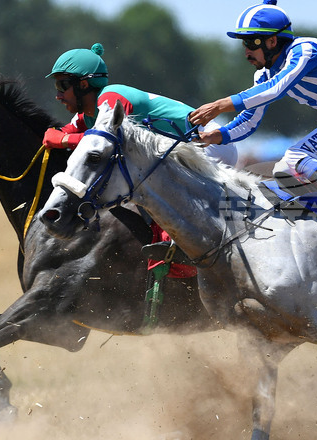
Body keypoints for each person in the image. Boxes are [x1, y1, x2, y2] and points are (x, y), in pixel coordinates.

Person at [189, 0, 317, 239]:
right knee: (285, 170)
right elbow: (250, 121)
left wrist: (221, 105)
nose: (246, 53)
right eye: (244, 45)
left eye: (251, 44)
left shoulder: (306, 50)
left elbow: (276, 88)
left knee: (295, 157)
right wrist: (215, 136)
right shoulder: (263, 74)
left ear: (272, 41)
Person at [44, 43, 238, 274]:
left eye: (62, 85)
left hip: (209, 144)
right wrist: (62, 138)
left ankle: (184, 254)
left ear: (83, 84)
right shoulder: (86, 115)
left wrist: (64, 140)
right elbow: (51, 136)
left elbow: (102, 139)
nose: (57, 95)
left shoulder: (111, 97)